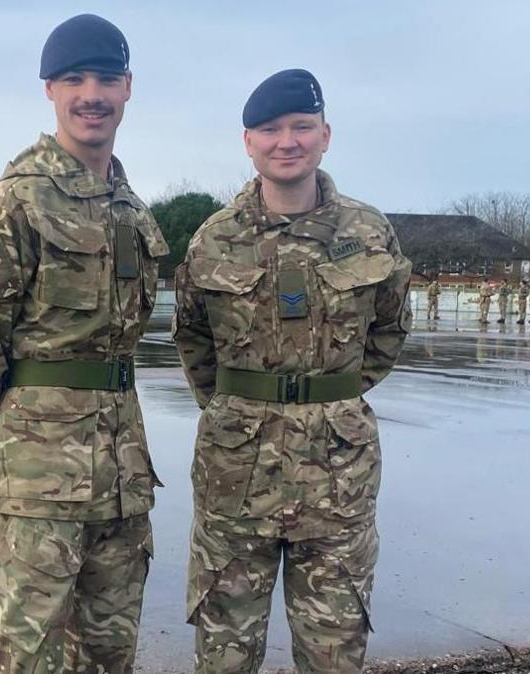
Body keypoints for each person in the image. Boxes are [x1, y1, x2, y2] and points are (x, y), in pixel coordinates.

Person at [0, 15, 167, 673]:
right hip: (35, 484)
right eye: (74, 79)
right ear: (49, 89)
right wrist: (6, 453)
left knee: (109, 655)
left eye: (106, 78)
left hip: (123, 479)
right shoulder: (14, 202)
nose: (91, 94)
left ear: (127, 89)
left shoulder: (132, 211)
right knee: (25, 658)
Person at [172, 68, 413, 674]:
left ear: (325, 135)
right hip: (236, 471)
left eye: (301, 127)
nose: (287, 141)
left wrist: (331, 399)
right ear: (248, 142)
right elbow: (193, 339)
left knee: (335, 650)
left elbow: (389, 331)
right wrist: (239, 408)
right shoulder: (213, 240)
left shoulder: (368, 232)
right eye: (270, 129)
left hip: (339, 473)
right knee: (225, 649)